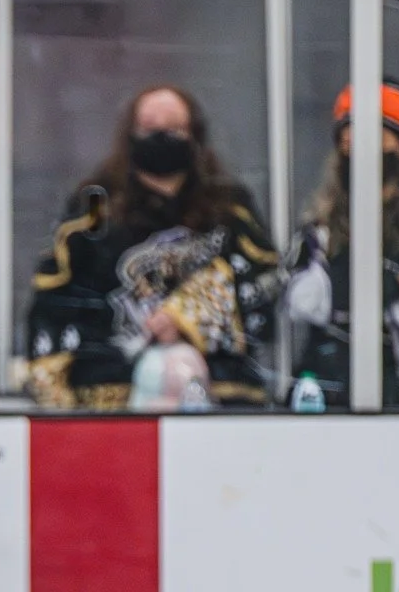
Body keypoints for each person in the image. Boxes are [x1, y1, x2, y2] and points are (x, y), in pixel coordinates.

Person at [26, 84, 281, 410]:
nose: (161, 136)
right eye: (149, 128)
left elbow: (267, 281)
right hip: (111, 392)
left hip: (223, 392)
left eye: (173, 128)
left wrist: (190, 316)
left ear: (194, 134)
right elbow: (53, 297)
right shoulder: (93, 206)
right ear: (130, 134)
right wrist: (53, 382)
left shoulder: (230, 208)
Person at [280, 80, 399, 405]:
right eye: (349, 140)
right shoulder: (320, 221)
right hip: (331, 388)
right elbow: (300, 301)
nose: (359, 149)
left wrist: (341, 290)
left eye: (376, 137)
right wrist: (391, 287)